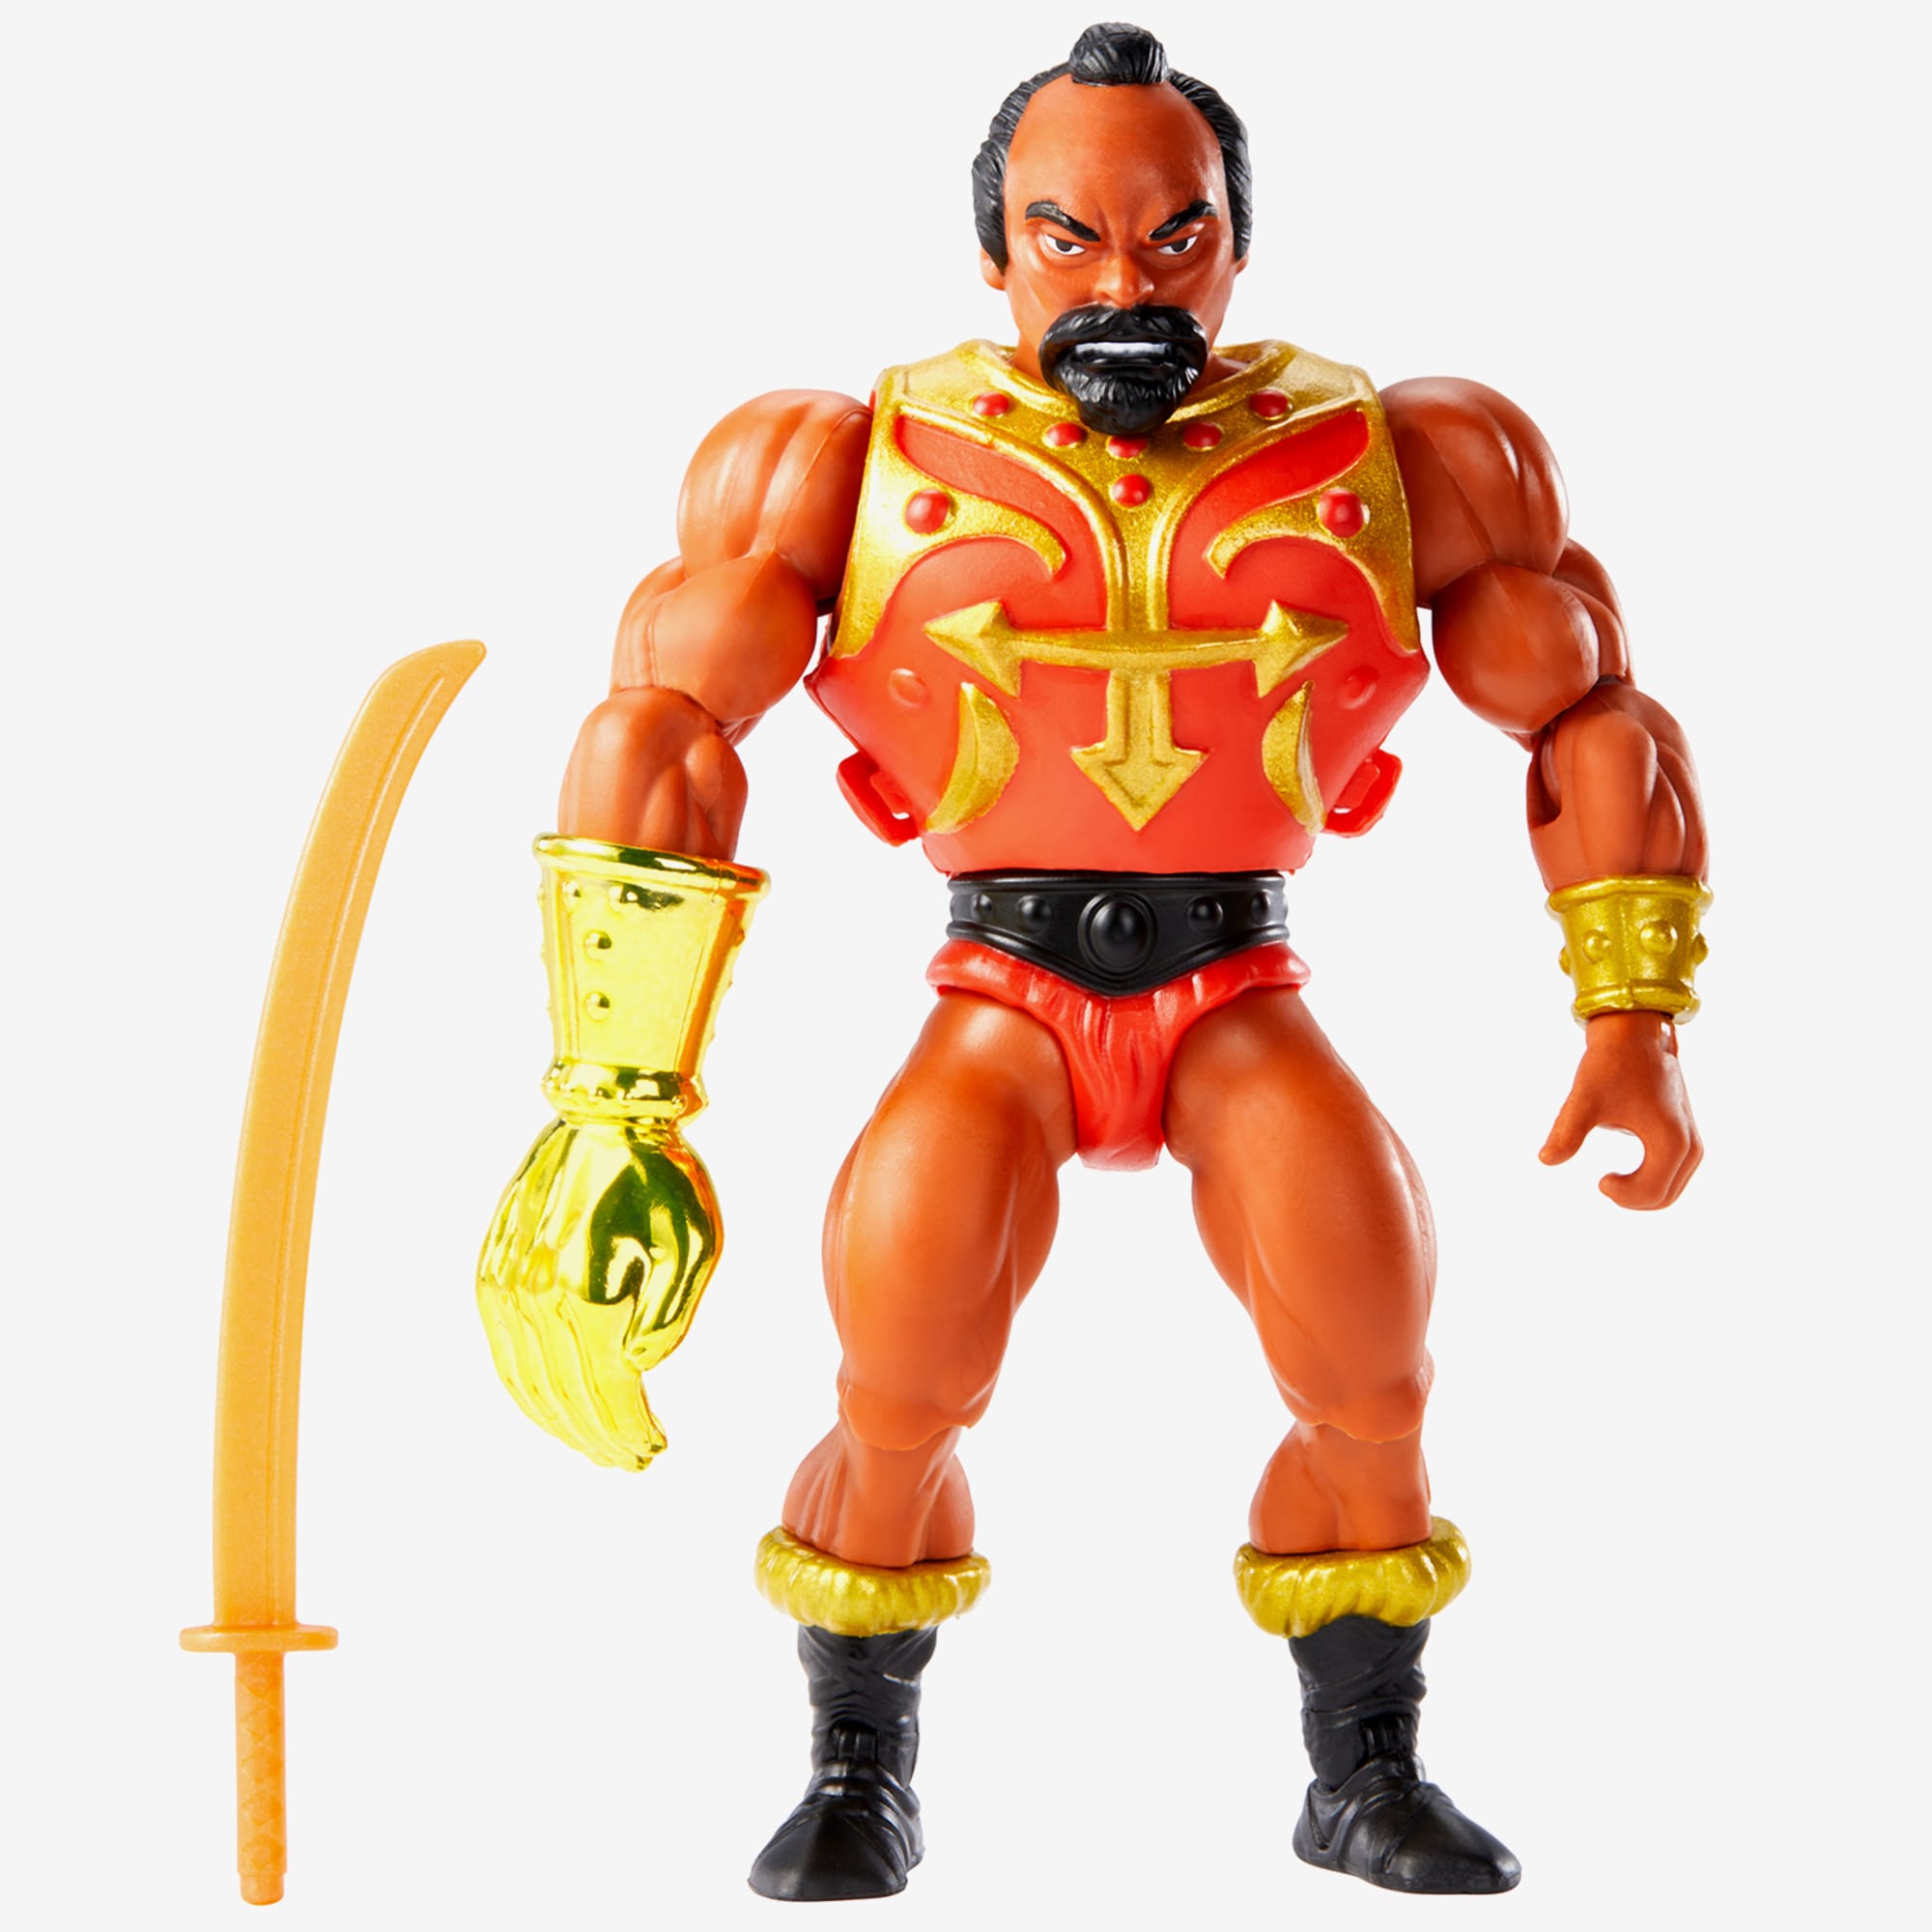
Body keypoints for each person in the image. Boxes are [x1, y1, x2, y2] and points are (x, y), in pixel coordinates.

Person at [490, 20, 1709, 1901]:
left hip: (1235, 987)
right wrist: (609, 1109)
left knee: (1373, 1379)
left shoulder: (1403, 453)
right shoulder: (837, 459)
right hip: (1002, 994)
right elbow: (660, 733)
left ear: (1237, 241)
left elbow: (1589, 713)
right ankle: (856, 1761)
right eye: (1069, 237)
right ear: (995, 247)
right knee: (900, 1384)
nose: (1125, 280)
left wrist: (1633, 1015)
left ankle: (1362, 1770)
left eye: (1173, 235)